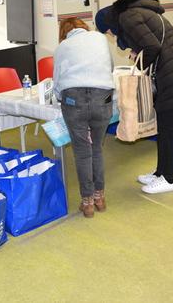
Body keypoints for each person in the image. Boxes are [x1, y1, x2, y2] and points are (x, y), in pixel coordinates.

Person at [95, 0, 173, 194]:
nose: (111, 36)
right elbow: (153, 44)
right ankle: (160, 173)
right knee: (164, 128)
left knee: (169, 130)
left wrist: (140, 59)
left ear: (109, 23)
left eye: (108, 32)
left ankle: (169, 179)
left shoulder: (127, 16)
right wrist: (140, 53)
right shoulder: (140, 11)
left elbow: (152, 47)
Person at [52, 17, 114, 217]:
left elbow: (58, 79)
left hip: (74, 100)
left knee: (82, 151)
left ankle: (87, 203)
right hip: (102, 97)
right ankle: (100, 198)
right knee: (97, 148)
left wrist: (60, 97)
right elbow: (109, 67)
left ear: (64, 32)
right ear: (84, 27)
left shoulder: (63, 47)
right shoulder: (99, 38)